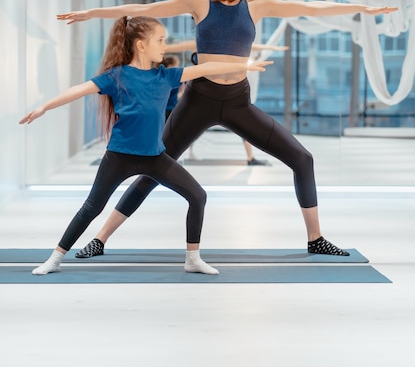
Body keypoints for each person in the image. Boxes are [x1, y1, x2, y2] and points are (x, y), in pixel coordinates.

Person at [57, 0, 397, 259]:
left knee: (302, 159)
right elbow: (144, 7)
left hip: (237, 101)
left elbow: (310, 7)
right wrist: (93, 13)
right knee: (151, 170)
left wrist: (360, 8)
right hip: (198, 100)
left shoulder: (257, 5)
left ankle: (315, 239)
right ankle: (99, 239)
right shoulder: (199, 2)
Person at [19, 14, 271, 275]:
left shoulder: (166, 76)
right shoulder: (116, 76)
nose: (164, 46)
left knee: (198, 196)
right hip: (119, 156)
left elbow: (206, 68)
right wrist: (43, 107)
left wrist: (244, 64)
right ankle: (55, 258)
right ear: (141, 45)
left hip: (154, 157)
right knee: (91, 208)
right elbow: (79, 89)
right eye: (160, 40)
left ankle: (193, 258)